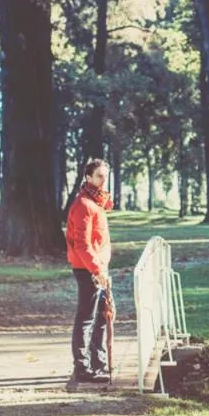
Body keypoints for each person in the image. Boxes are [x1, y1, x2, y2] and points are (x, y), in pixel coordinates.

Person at [65, 159, 114, 383]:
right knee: (86, 317)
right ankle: (82, 368)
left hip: (98, 268)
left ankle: (98, 363)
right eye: (99, 176)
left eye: (105, 176)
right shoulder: (83, 204)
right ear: (88, 178)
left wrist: (102, 268)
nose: (103, 181)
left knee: (103, 315)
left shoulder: (96, 202)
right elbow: (81, 244)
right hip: (87, 269)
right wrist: (96, 270)